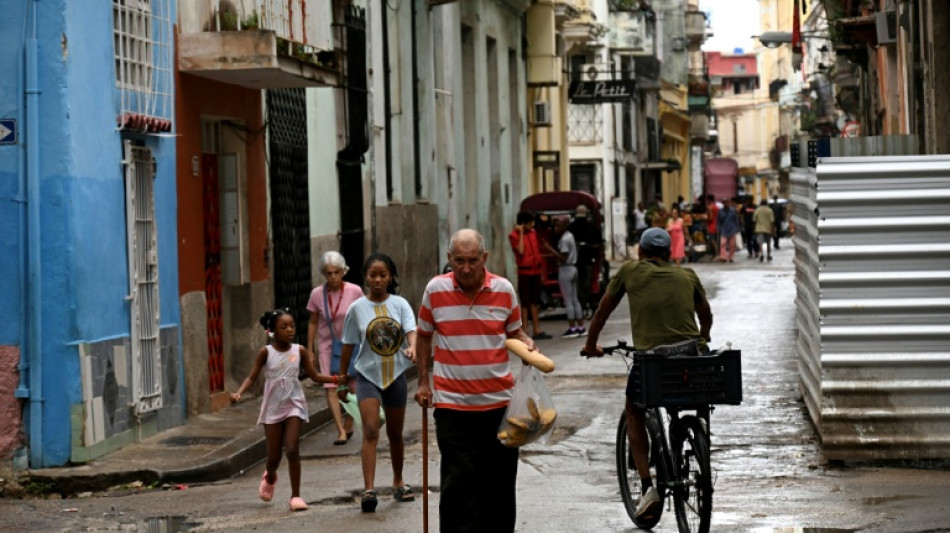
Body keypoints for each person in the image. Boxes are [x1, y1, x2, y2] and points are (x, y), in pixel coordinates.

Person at [581, 228, 712, 524]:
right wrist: (702, 340)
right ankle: (695, 447)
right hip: (691, 361)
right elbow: (706, 315)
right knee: (686, 399)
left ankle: (647, 486)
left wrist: (591, 346)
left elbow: (602, 311)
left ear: (640, 252)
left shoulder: (629, 271)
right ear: (669, 254)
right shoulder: (687, 275)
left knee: (633, 410)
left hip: (653, 363)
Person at [414, 229, 537, 533]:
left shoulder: (505, 289)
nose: (466, 268)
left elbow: (514, 332)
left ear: (485, 258)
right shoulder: (435, 290)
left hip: (499, 407)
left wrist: (527, 343)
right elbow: (425, 337)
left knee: (499, 483)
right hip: (452, 407)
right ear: (449, 259)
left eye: (472, 261)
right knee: (459, 482)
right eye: (459, 261)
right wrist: (423, 383)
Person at [231, 308, 341, 512]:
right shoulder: (266, 352)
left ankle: (296, 496)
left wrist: (335, 379)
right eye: (284, 327)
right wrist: (239, 393)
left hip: (294, 405)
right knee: (273, 457)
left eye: (291, 326)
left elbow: (315, 376)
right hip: (273, 407)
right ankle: (270, 475)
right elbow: (252, 377)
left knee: (292, 448)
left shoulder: (299, 351)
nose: (290, 330)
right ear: (272, 331)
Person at [336, 253, 417, 512]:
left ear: (390, 277)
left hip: (396, 375)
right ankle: (368, 490)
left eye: (383, 275)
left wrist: (413, 348)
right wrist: (341, 379)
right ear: (366, 278)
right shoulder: (356, 309)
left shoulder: (401, 304)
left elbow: (411, 331)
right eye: (373, 275)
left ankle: (398, 481)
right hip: (367, 376)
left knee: (395, 433)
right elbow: (348, 345)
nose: (378, 280)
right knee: (371, 429)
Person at [306, 251, 364, 445]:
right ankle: (339, 430)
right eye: (328, 273)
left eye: (336, 272)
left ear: (343, 271)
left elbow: (362, 316)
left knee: (351, 387)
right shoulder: (316, 294)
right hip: (327, 345)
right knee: (331, 386)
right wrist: (309, 348)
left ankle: (349, 421)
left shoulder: (354, 291)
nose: (333, 277)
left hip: (350, 344)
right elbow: (313, 322)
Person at [508, 211, 551, 340]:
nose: (532, 226)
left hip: (535, 271)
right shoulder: (514, 235)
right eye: (530, 223)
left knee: (534, 301)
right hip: (524, 272)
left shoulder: (533, 233)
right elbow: (520, 251)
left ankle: (537, 329)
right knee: (525, 302)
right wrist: (520, 233)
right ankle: (525, 329)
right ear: (523, 224)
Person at [544, 215, 585, 337]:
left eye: (557, 226)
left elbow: (563, 257)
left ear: (562, 227)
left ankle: (572, 328)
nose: (554, 229)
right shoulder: (570, 236)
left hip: (566, 269)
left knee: (568, 301)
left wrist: (549, 249)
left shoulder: (564, 240)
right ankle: (581, 326)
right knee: (575, 299)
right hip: (573, 268)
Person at [568, 204, 603, 314]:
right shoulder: (592, 227)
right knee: (586, 283)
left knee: (577, 285)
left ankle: (581, 304)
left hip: (574, 261)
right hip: (588, 260)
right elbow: (599, 243)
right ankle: (584, 304)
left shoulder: (571, 227)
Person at [716, 198, 740, 263]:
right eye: (724, 202)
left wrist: (737, 228)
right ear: (723, 203)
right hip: (723, 230)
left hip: (732, 229)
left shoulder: (733, 210)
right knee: (722, 244)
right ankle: (723, 257)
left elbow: (736, 219)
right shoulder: (720, 211)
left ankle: (731, 257)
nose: (726, 203)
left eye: (727, 202)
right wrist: (718, 229)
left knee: (732, 245)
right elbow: (718, 221)